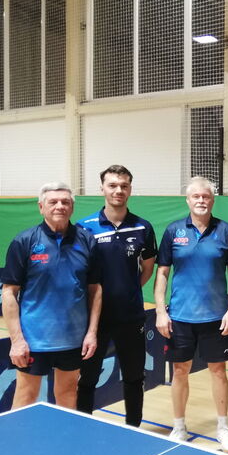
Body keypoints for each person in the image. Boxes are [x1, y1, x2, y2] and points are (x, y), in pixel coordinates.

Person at [155, 177, 228, 454]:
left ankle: (223, 428)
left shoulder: (226, 231)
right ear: (188, 200)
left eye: (206, 196)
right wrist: (160, 311)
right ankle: (179, 427)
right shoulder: (173, 231)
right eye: (196, 196)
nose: (201, 201)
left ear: (213, 200)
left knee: (219, 371)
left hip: (216, 317)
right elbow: (162, 273)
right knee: (180, 372)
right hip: (180, 317)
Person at [1, 182, 101, 409]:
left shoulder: (87, 240)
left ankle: (63, 433)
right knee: (26, 395)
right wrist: (17, 340)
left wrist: (91, 333)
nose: (59, 206)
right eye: (53, 202)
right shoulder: (24, 241)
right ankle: (20, 435)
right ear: (41, 207)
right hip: (34, 339)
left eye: (65, 202)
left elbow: (95, 290)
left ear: (72, 207)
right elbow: (9, 293)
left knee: (68, 393)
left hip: (73, 338)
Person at [75, 165, 156, 427]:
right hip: (93, 320)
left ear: (130, 189)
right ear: (102, 189)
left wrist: (129, 289)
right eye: (112, 185)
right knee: (87, 378)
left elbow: (147, 268)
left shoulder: (143, 227)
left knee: (134, 377)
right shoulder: (84, 228)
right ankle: (82, 429)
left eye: (123, 185)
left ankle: (133, 429)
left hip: (131, 317)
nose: (118, 190)